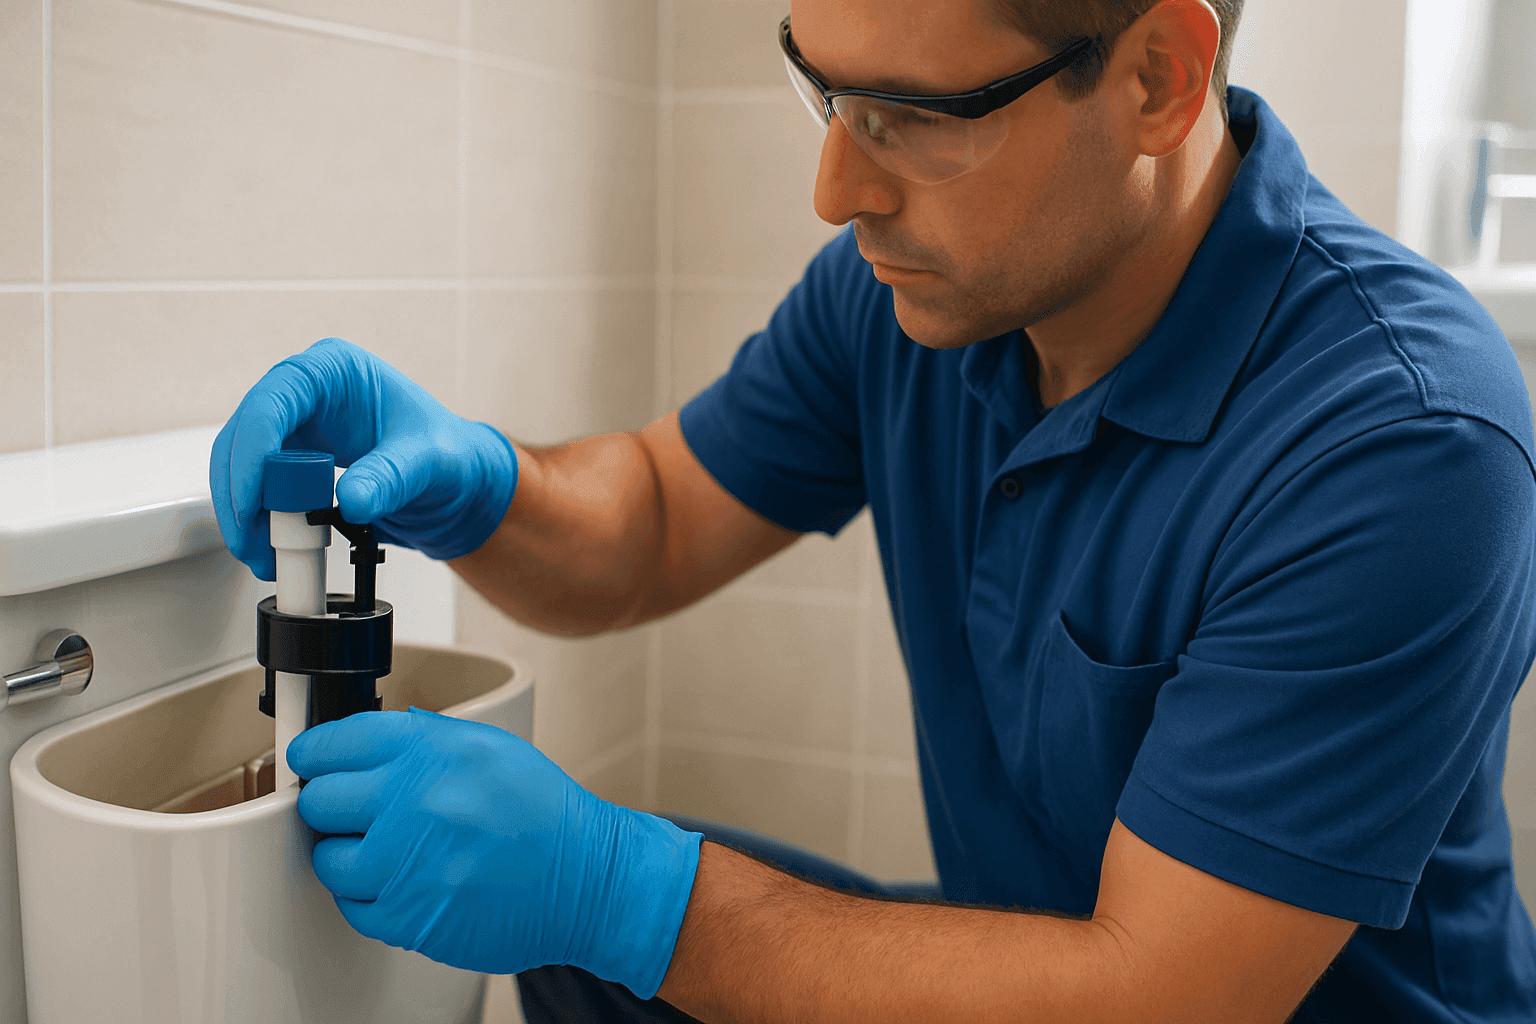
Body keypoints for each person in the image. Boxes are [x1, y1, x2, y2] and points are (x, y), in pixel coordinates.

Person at [209, 0, 1536, 1020]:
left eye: (911, 112)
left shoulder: (1404, 438)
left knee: (629, 929)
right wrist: (481, 484)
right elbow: (661, 517)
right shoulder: (910, 298)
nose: (837, 191)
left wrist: (624, 891)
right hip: (1067, 974)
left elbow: (1160, 998)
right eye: (825, 91)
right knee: (594, 973)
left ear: (1155, 79)